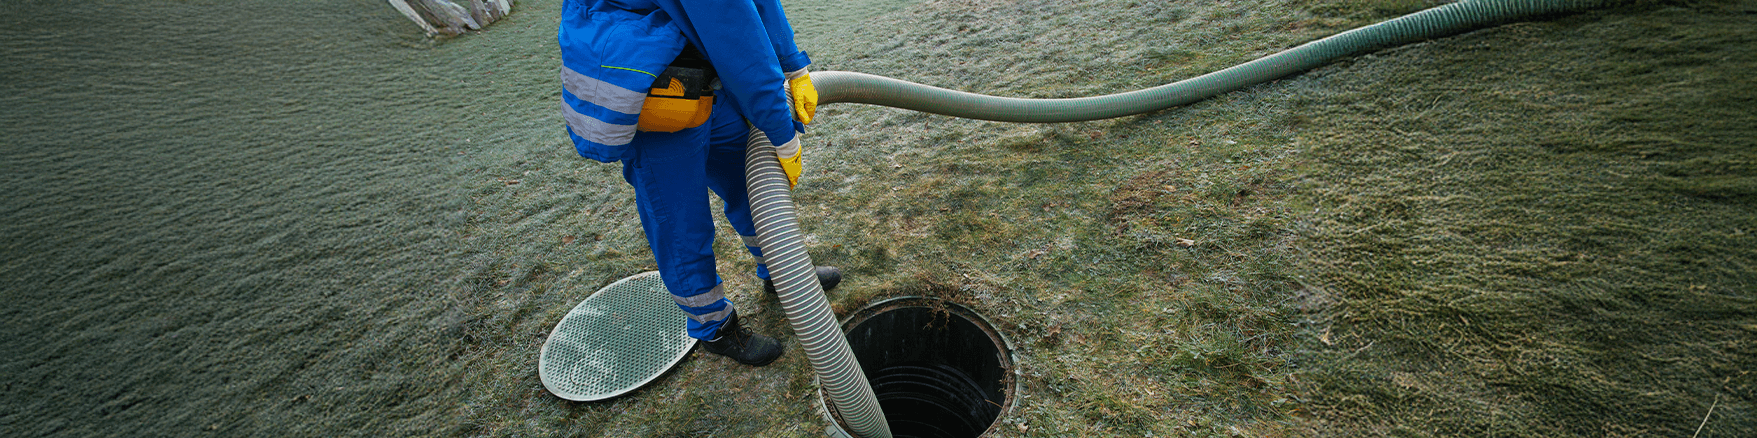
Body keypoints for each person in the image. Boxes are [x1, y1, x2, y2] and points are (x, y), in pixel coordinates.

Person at [557, 0, 840, 366]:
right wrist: (782, 135)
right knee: (681, 222)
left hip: (699, 71)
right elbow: (737, 37)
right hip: (653, 90)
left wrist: (795, 66)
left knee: (748, 181)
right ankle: (715, 327)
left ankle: (781, 271)